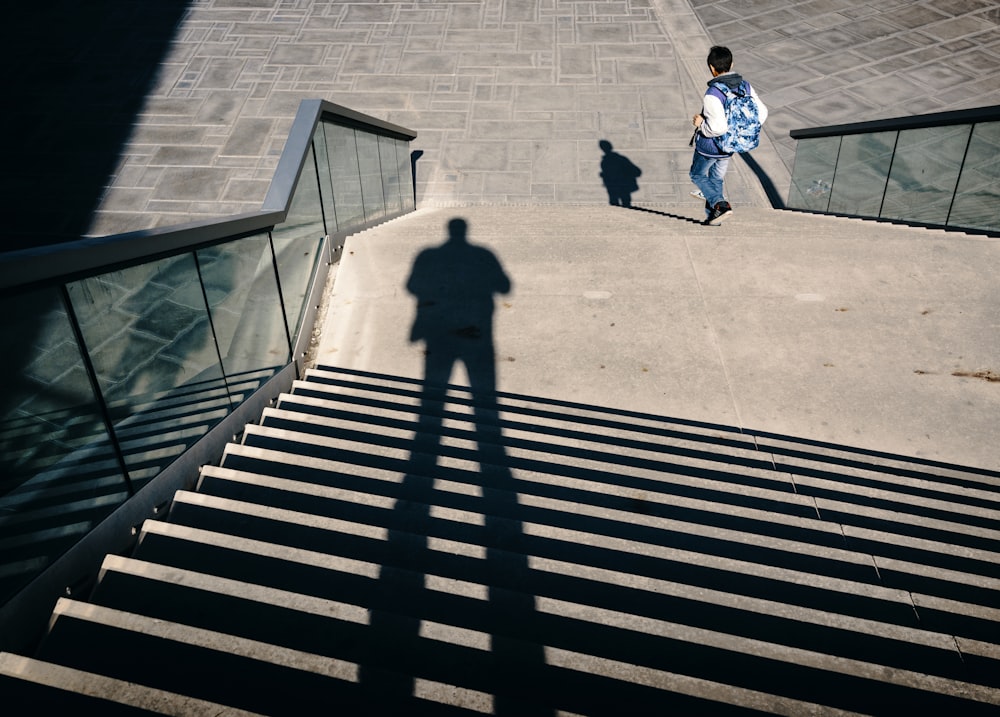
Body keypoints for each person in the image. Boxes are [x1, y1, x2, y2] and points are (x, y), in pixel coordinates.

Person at [690, 45, 768, 226]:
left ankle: (720, 205)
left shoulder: (713, 93)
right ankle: (714, 217)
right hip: (731, 146)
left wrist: (701, 124)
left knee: (697, 175)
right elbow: (762, 113)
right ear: (732, 63)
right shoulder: (745, 86)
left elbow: (717, 128)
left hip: (710, 146)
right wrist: (740, 129)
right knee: (716, 178)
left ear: (711, 68)